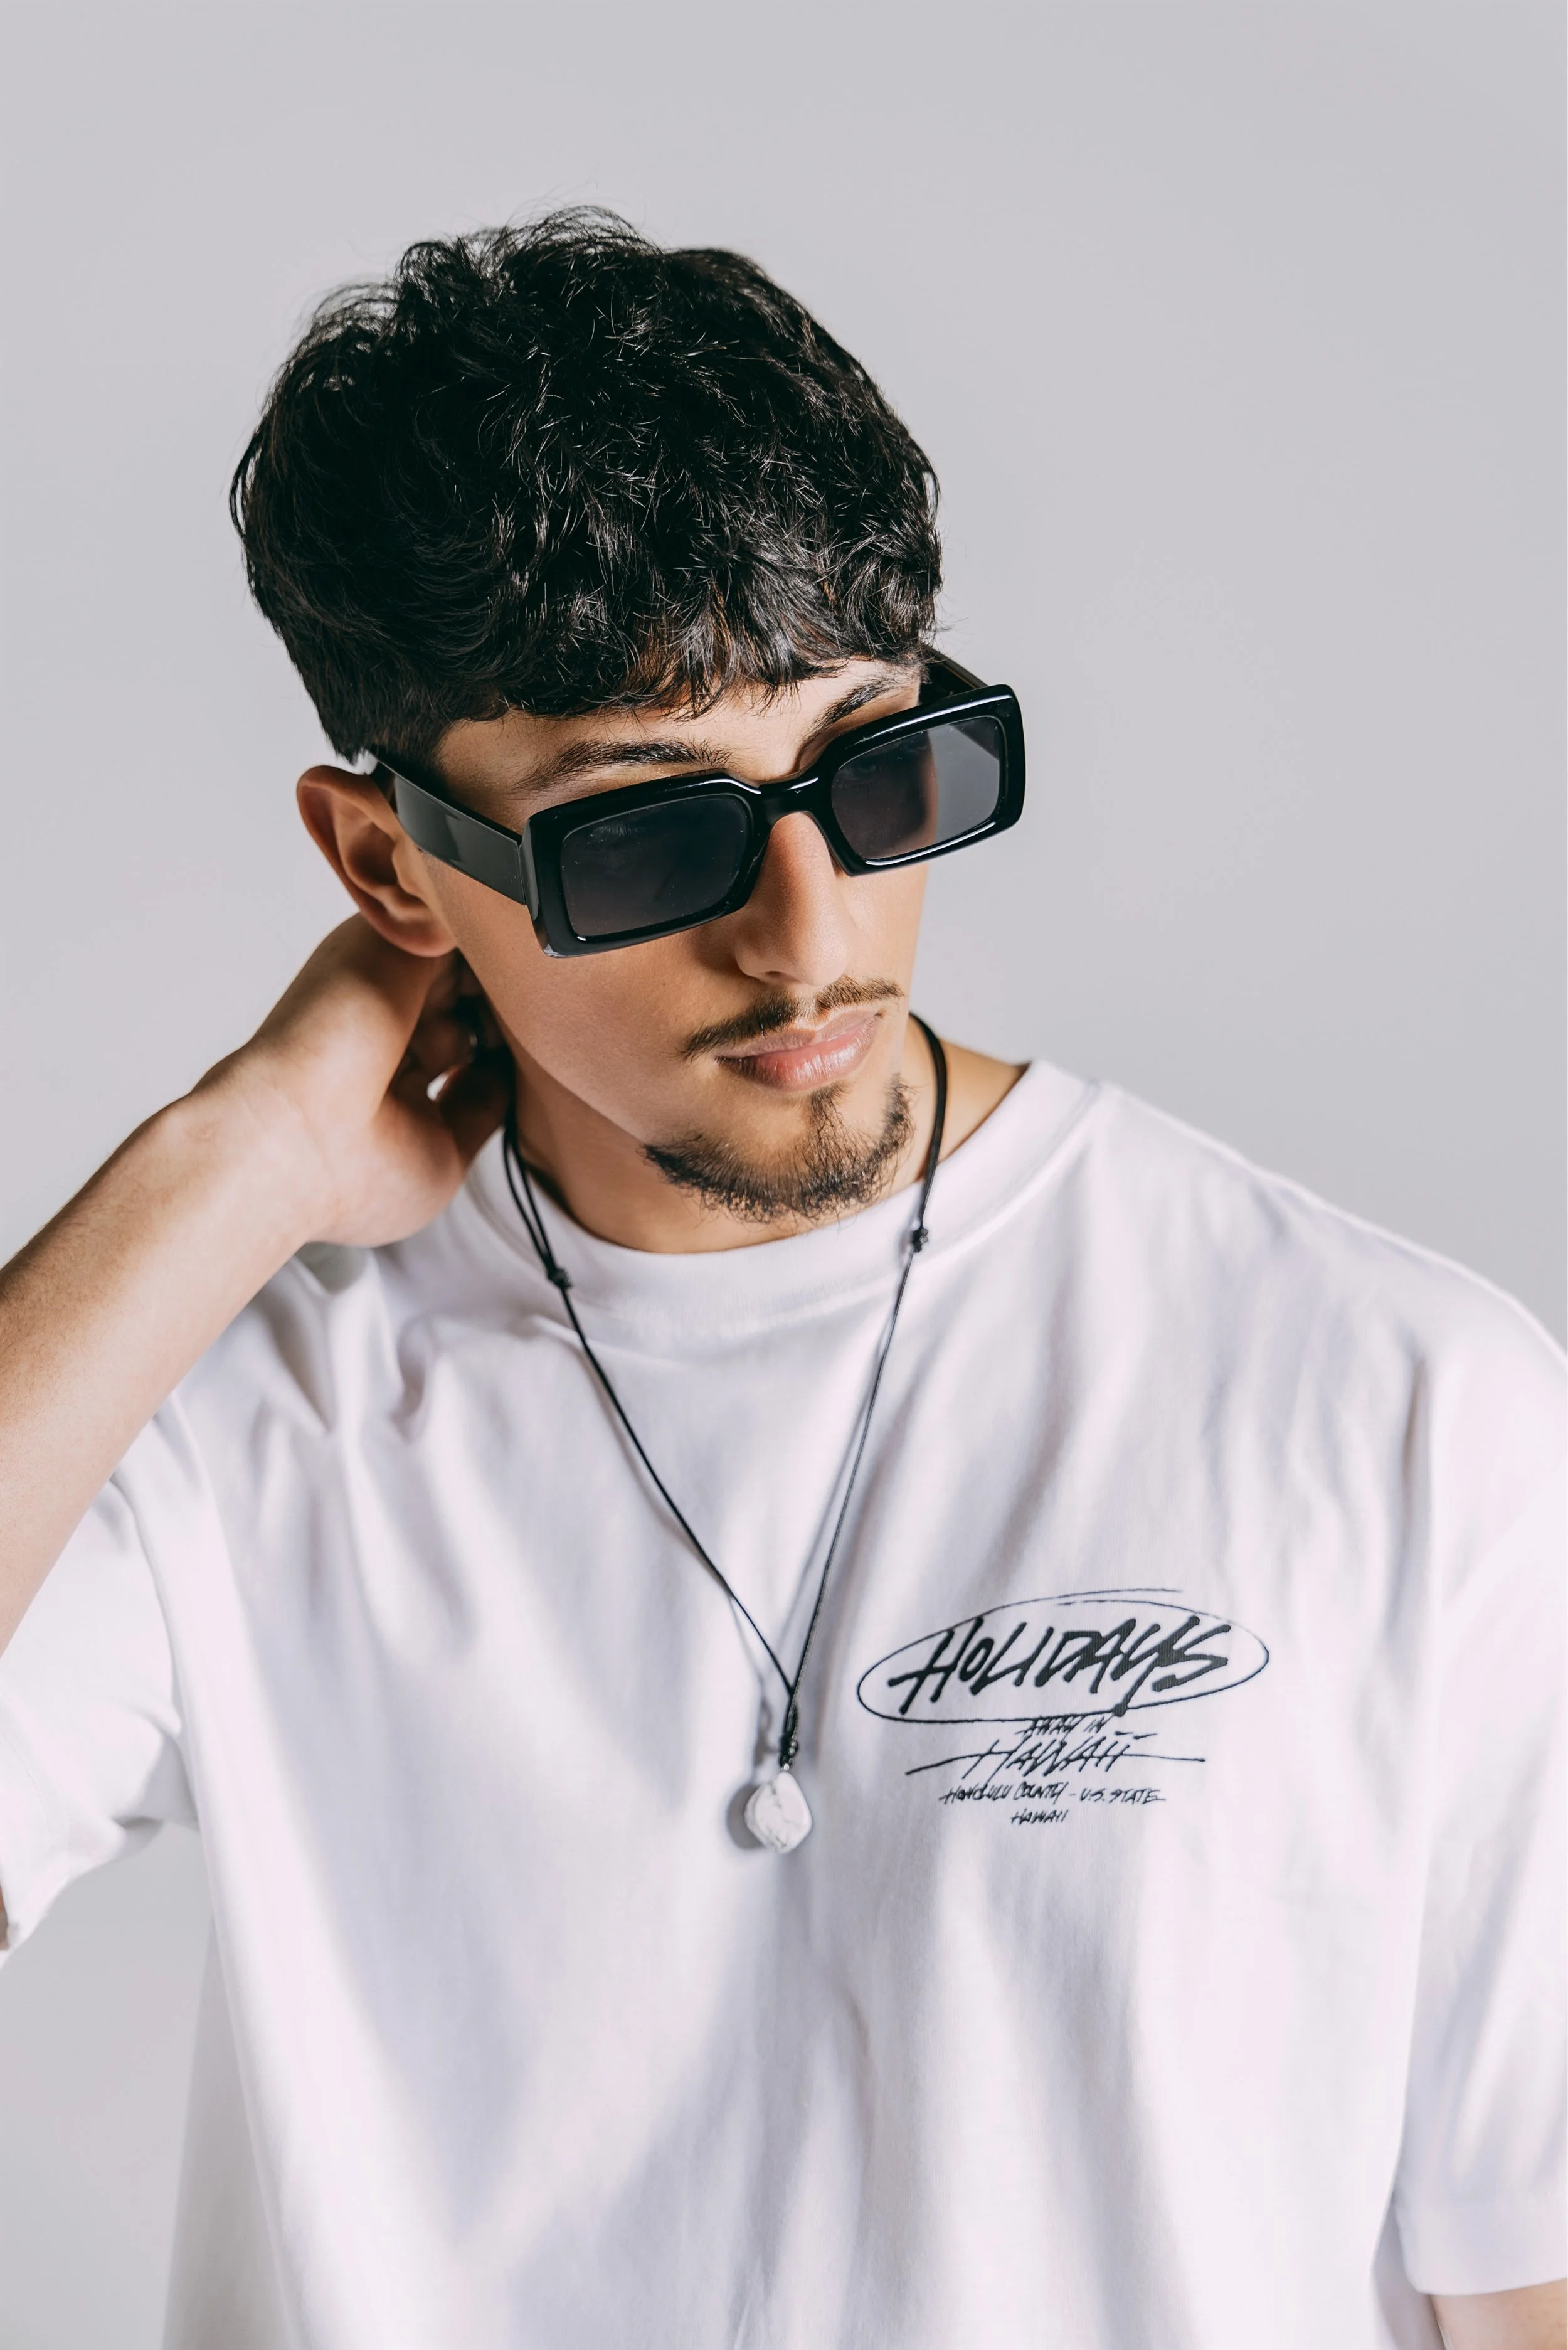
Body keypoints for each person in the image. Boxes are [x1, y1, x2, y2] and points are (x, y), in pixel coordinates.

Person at [0, 210, 1560, 2350]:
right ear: (389, 867)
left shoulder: (1397, 1406)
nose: (807, 936)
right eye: (650, 833)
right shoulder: (227, 1416)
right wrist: (232, 1157)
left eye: (874, 769)